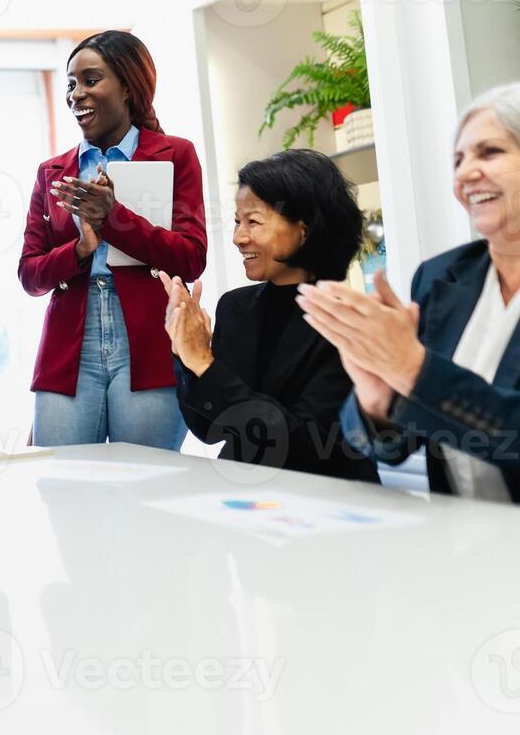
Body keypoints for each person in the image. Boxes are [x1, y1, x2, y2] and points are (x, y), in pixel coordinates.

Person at [299, 83, 520, 502]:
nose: (466, 173)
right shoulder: (441, 277)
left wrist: (413, 371)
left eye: (489, 152)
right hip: (463, 551)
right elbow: (392, 446)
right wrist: (378, 398)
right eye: (458, 159)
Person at [19, 30, 207, 450]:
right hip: (69, 346)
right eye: (70, 84)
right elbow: (30, 275)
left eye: (90, 80)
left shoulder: (176, 155)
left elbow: (191, 258)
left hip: (149, 341)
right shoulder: (52, 172)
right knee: (63, 488)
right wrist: (81, 249)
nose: (76, 94)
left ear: (128, 85)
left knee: (144, 490)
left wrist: (115, 219)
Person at [159, 150, 379, 482]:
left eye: (254, 222)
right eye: (237, 221)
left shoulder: (349, 320)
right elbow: (209, 429)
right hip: (246, 495)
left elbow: (302, 443)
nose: (238, 237)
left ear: (303, 230)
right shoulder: (235, 307)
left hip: (328, 500)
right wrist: (185, 351)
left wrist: (205, 364)